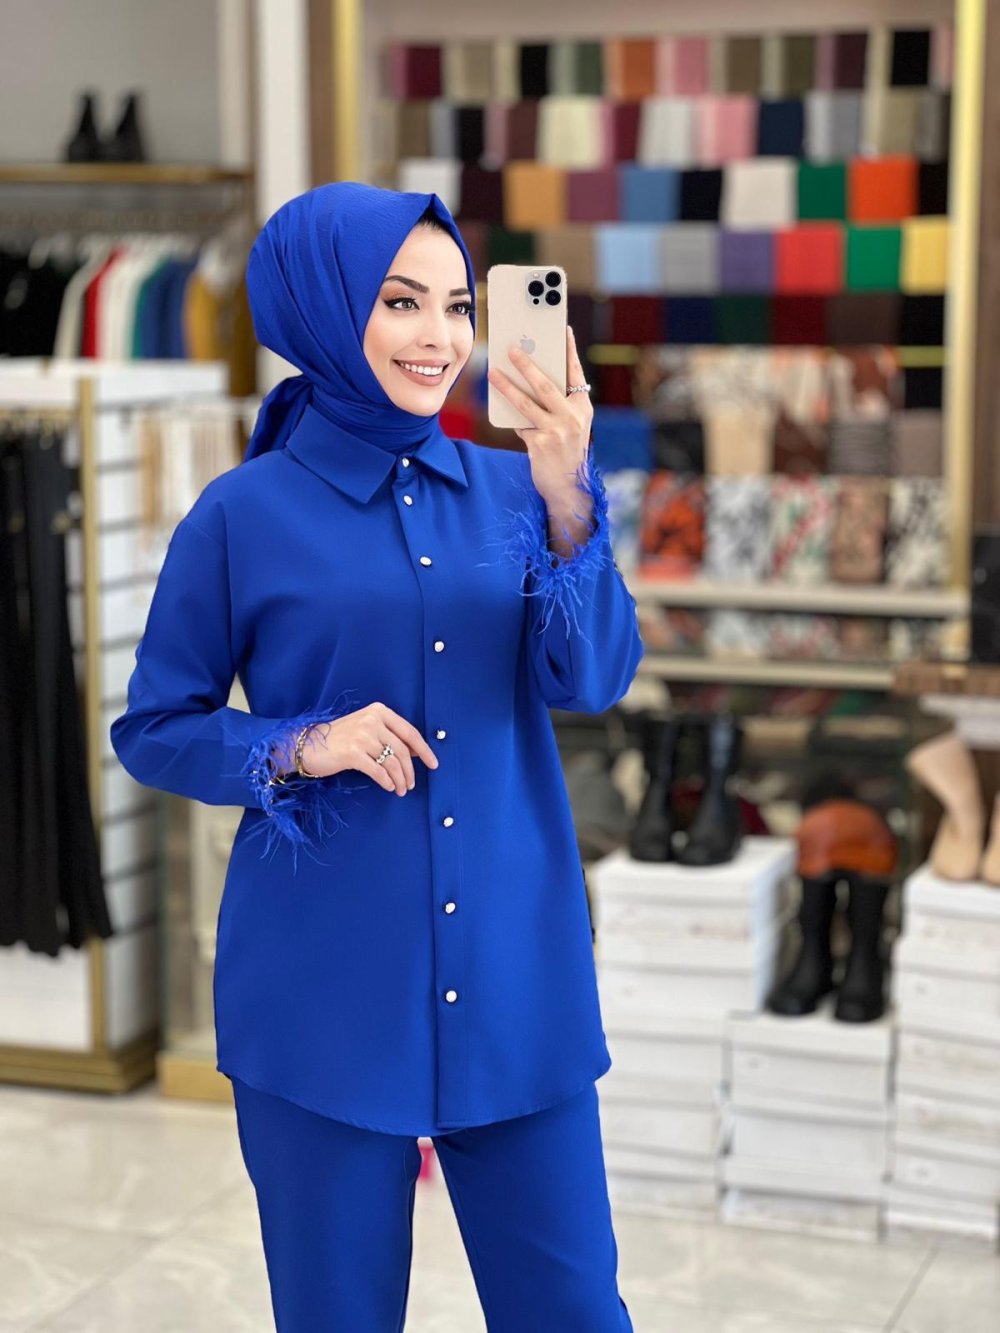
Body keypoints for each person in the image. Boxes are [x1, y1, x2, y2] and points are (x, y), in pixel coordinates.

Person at [110, 181, 642, 1331]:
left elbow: (593, 679)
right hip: (320, 994)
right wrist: (301, 741)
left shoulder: (518, 487)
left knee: (573, 1309)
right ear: (321, 304)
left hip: (515, 976)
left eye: (458, 307)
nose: (439, 336)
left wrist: (568, 498)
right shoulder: (240, 514)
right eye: (401, 301)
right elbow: (153, 727)